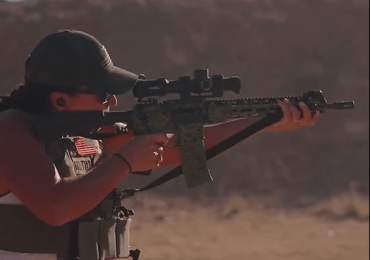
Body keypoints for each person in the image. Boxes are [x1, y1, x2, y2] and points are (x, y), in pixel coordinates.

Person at [0, 30, 320, 260]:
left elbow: (181, 149)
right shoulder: (11, 130)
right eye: (101, 93)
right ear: (59, 99)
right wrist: (125, 162)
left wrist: (265, 122)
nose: (112, 100)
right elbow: (55, 208)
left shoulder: (88, 132)